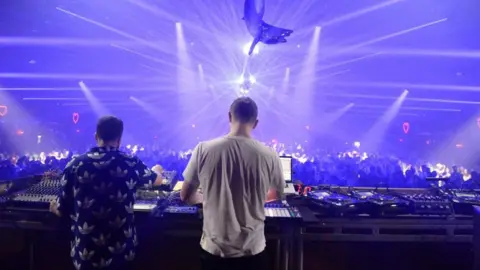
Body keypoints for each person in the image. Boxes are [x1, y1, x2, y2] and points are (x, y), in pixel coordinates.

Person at [181, 97, 285, 270]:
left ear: (229, 117)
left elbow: (185, 195)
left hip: (214, 252)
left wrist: (207, 196)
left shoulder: (203, 149)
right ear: (256, 123)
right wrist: (254, 197)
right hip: (253, 251)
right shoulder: (270, 155)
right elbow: (277, 194)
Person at [50, 116, 163, 270]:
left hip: (86, 253)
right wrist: (157, 170)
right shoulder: (130, 163)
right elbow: (157, 181)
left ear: (96, 136)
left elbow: (62, 209)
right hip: (122, 253)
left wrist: (53, 208)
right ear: (119, 139)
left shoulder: (75, 165)